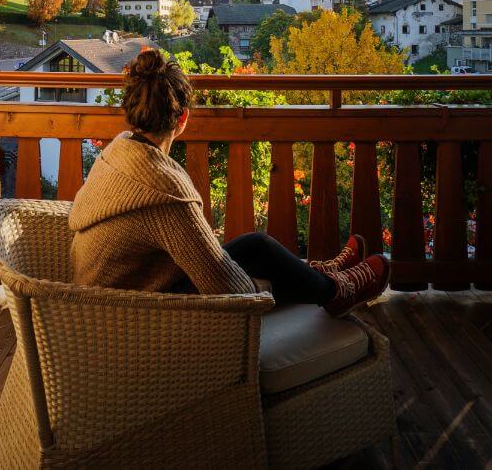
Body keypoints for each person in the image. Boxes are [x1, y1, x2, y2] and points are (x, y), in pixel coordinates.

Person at [69, 49, 389, 317]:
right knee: (258, 252)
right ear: (183, 119)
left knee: (253, 246)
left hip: (101, 299)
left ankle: (318, 277)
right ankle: (334, 291)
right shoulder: (163, 190)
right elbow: (229, 289)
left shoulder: (116, 154)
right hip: (141, 315)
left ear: (132, 112)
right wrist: (264, 286)